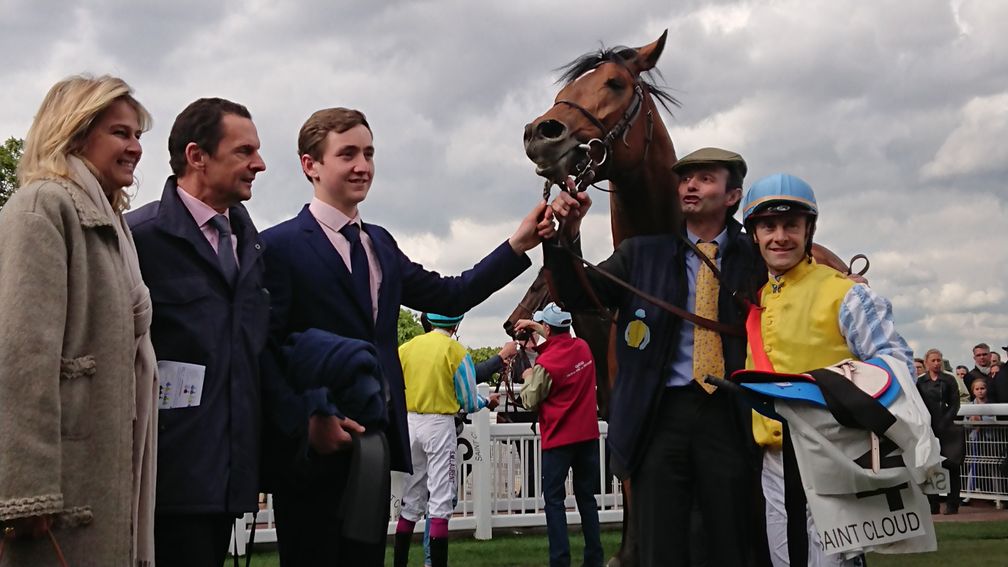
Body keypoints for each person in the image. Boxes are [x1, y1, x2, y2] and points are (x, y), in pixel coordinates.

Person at [259, 107, 552, 566]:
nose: (363, 165)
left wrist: (517, 244)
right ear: (310, 165)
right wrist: (308, 419)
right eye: (348, 154)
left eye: (369, 153)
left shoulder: (380, 243)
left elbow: (450, 294)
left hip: (376, 443)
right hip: (312, 448)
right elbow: (267, 351)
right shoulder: (276, 246)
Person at [545, 147, 764, 567]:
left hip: (732, 412)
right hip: (661, 414)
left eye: (704, 178)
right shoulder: (641, 253)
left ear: (733, 195)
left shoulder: (755, 255)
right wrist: (567, 234)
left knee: (729, 540)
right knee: (659, 542)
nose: (690, 185)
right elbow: (577, 295)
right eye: (685, 178)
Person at [0, 75, 158, 565]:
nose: (135, 148)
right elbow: (20, 352)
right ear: (74, 132)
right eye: (121, 133)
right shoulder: (41, 207)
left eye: (137, 136)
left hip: (105, 457)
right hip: (63, 480)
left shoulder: (109, 220)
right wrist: (27, 491)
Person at [739, 173, 916, 566]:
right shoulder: (761, 299)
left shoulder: (846, 294)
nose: (780, 237)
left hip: (835, 455)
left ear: (809, 230)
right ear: (754, 235)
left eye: (791, 226)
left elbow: (896, 367)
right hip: (775, 460)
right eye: (768, 226)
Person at [126, 98, 269, 566]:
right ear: (196, 156)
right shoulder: (138, 239)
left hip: (228, 481)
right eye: (244, 151)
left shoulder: (251, 246)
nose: (259, 164)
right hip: (162, 483)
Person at [393, 313, 500, 567]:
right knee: (440, 502)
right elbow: (469, 401)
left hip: (409, 423)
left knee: (411, 499)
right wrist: (488, 402)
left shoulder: (405, 348)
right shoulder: (456, 351)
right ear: (455, 324)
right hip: (439, 425)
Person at [514, 303, 603, 567]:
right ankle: (594, 559)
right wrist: (536, 328)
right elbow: (560, 337)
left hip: (559, 440)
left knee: (554, 501)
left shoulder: (546, 363)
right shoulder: (583, 348)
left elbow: (530, 399)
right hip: (587, 436)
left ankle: (560, 561)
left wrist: (528, 373)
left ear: (548, 328)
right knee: (587, 499)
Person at [915, 349, 964, 515]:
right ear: (926, 362)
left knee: (952, 466)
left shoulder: (949, 379)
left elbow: (955, 403)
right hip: (929, 428)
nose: (937, 363)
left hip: (947, 428)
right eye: (933, 360)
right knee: (931, 466)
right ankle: (933, 504)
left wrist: (945, 421)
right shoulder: (921, 382)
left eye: (939, 360)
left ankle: (952, 504)